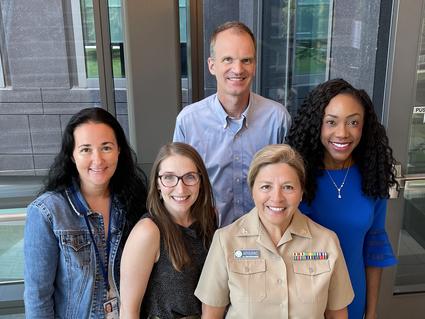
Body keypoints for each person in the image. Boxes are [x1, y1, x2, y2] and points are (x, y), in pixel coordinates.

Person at [195, 144, 354, 319]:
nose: (277, 198)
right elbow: (211, 315)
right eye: (266, 187)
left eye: (288, 187)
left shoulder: (327, 242)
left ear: (301, 192)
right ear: (252, 191)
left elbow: (337, 314)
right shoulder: (225, 241)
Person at [286, 78, 398, 319]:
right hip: (301, 303)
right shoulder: (294, 177)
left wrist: (371, 312)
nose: (342, 133)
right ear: (317, 125)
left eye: (353, 122)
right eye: (331, 122)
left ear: (364, 127)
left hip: (353, 299)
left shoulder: (372, 175)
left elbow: (373, 249)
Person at [24, 107, 148, 318]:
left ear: (119, 150)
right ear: (72, 155)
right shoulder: (47, 212)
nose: (98, 160)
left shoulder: (134, 201)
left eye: (106, 148)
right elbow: (38, 297)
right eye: (86, 149)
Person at [173, 21, 291, 227]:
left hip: (266, 237)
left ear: (254, 66)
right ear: (212, 65)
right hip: (207, 241)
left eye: (246, 60)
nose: (238, 69)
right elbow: (176, 188)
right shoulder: (188, 122)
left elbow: (290, 184)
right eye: (228, 59)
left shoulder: (277, 119)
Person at [119, 142, 217, 319]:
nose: (180, 188)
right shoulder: (148, 231)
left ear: (200, 181)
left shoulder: (209, 218)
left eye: (190, 177)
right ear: (157, 183)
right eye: (169, 177)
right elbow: (128, 311)